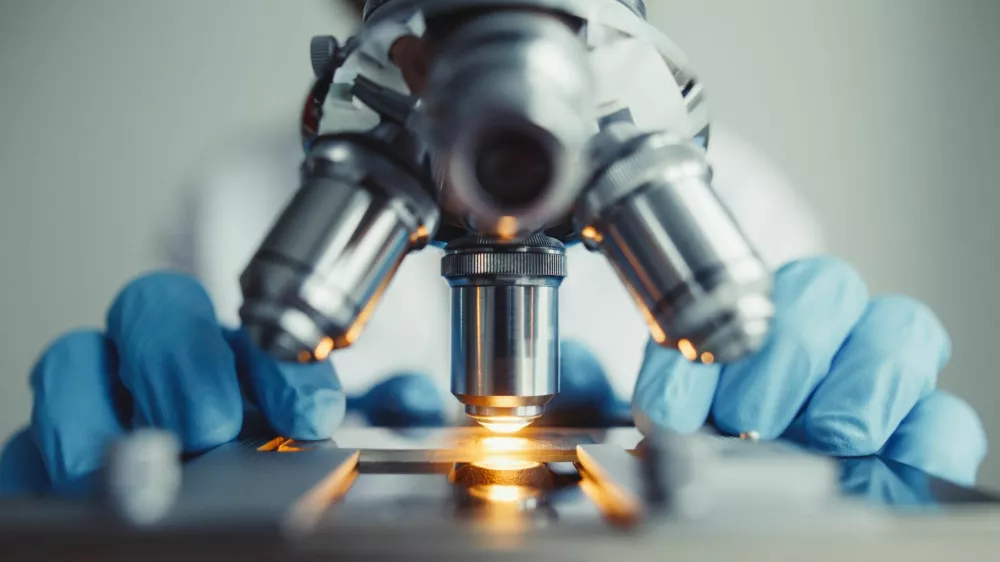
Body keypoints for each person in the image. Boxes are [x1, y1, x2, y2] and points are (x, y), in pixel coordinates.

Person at [0, 0, 987, 496]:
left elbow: (769, 487)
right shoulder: (232, 197)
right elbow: (198, 479)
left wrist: (839, 506)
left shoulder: (746, 204)